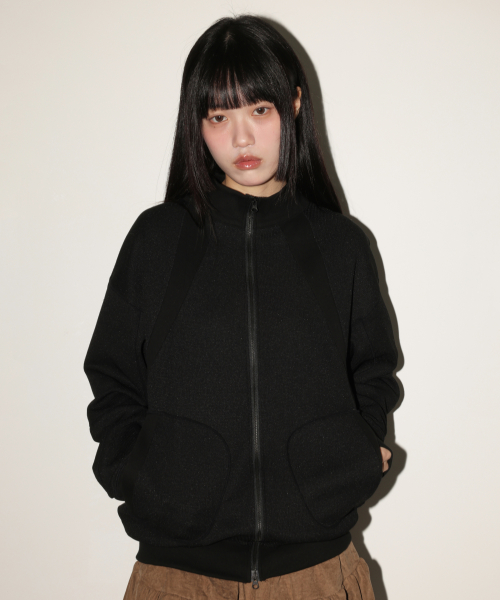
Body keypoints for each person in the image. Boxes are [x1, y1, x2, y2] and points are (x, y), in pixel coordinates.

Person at [84, 13, 400, 600]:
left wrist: (360, 451)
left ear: (294, 105)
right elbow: (112, 373)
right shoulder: (158, 240)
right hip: (177, 578)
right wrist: (135, 471)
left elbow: (373, 370)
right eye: (218, 116)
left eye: (259, 109)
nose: (242, 139)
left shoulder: (341, 245)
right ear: (197, 124)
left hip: (314, 575)